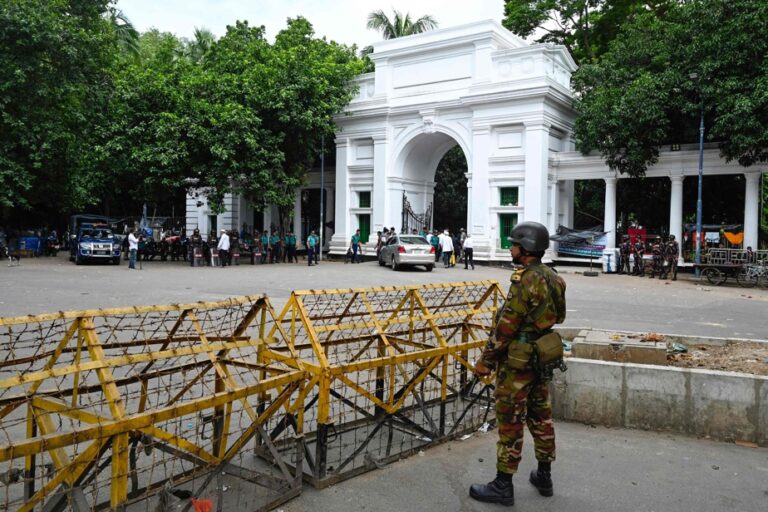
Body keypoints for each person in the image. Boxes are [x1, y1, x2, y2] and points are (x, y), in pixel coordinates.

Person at [470, 221, 566, 506]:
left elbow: (506, 327)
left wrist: (485, 361)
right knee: (541, 416)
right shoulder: (554, 277)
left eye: (513, 244)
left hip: (518, 360)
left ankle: (503, 484)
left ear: (525, 249)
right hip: (542, 356)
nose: (510, 248)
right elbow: (559, 317)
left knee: (511, 420)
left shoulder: (525, 279)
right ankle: (544, 475)